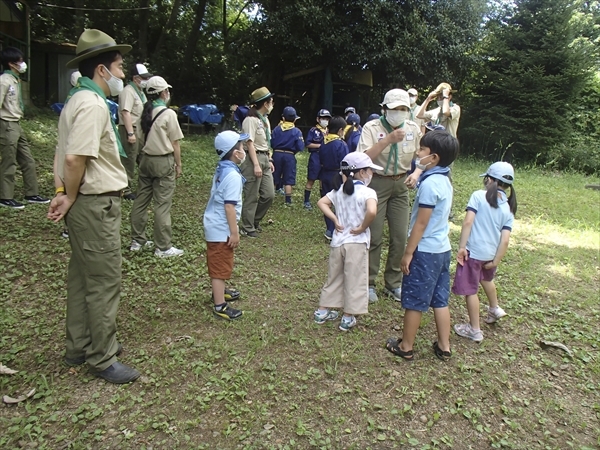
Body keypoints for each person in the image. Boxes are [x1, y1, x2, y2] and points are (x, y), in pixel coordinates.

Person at [47, 29, 139, 384]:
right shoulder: (92, 103)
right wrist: (69, 194)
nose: (121, 74)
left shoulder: (76, 99)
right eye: (118, 67)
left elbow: (62, 153)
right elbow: (73, 159)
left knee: (82, 276)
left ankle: (79, 346)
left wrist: (63, 191)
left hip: (84, 203)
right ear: (102, 70)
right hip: (94, 204)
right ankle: (102, 357)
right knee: (103, 280)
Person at [385, 130, 459, 361]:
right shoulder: (444, 180)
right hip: (442, 249)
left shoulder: (429, 186)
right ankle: (444, 346)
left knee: (415, 301)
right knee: (440, 299)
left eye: (422, 150)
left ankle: (406, 346)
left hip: (425, 251)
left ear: (433, 157)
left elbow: (421, 224)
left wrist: (408, 253)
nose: (418, 153)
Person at [357, 89, 422, 303]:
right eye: (394, 109)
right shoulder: (372, 128)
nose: (399, 113)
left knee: (400, 237)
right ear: (384, 109)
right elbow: (363, 158)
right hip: (377, 183)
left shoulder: (413, 128)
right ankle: (368, 283)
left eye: (404, 109)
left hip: (401, 184)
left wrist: (416, 173)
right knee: (374, 236)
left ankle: (393, 283)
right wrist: (388, 140)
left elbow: (422, 157)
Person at [452, 162, 517, 342]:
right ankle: (494, 308)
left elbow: (467, 222)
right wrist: (496, 260)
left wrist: (462, 247)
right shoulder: (509, 207)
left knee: (471, 290)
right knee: (486, 279)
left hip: (474, 252)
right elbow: (505, 239)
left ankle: (475, 329)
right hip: (490, 254)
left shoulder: (478, 196)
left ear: (489, 179)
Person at [315, 152, 379, 331]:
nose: (371, 174)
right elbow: (372, 212)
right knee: (355, 278)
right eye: (369, 170)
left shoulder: (338, 191)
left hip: (338, 242)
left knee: (334, 276)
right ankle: (348, 316)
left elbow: (321, 203)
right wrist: (362, 227)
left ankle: (322, 311)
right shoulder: (368, 192)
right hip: (357, 243)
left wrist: (335, 220)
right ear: (361, 172)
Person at [130, 76, 184, 257]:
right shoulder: (168, 114)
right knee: (162, 204)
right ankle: (163, 247)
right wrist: (178, 164)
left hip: (145, 160)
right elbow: (175, 143)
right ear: (164, 92)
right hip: (163, 161)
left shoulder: (144, 112)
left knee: (141, 200)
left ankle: (137, 240)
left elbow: (138, 138)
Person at [204, 131, 249, 320]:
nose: (244, 149)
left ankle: (220, 291)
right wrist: (234, 232)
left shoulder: (223, 167)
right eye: (241, 146)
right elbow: (229, 207)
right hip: (221, 229)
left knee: (221, 262)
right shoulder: (233, 176)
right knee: (220, 266)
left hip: (215, 225)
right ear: (234, 152)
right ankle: (220, 304)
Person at [0, 47, 49, 209]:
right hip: (6, 124)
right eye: (20, 61)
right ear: (11, 64)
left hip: (17, 124)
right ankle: (5, 197)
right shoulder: (4, 81)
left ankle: (32, 193)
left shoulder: (15, 80)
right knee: (9, 162)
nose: (23, 64)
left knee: (28, 160)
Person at [240, 86, 275, 238]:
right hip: (252, 158)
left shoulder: (265, 120)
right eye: (271, 101)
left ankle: (254, 221)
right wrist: (255, 164)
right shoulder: (250, 120)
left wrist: (269, 159)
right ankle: (247, 227)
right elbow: (249, 143)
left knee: (269, 194)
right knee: (252, 195)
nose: (273, 104)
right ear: (265, 103)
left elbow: (266, 142)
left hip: (265, 158)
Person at [118, 63, 152, 200]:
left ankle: (143, 186)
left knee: (141, 158)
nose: (145, 80)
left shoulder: (140, 92)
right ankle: (125, 190)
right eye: (143, 78)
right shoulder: (128, 91)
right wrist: (130, 133)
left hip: (139, 130)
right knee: (129, 160)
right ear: (135, 78)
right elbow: (126, 113)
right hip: (130, 129)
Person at [319, 116, 349, 240]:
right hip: (337, 176)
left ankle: (329, 229)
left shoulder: (323, 142)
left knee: (327, 202)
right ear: (340, 130)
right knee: (339, 202)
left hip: (324, 174)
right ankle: (337, 228)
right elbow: (345, 162)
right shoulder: (341, 144)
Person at [271, 106, 304, 206]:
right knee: (289, 178)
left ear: (283, 118)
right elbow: (300, 146)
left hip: (276, 154)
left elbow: (271, 142)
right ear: (294, 119)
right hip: (289, 156)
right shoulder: (297, 131)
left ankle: (270, 199)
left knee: (274, 176)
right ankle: (288, 201)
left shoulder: (276, 129)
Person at [303, 109, 331, 210]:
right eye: (323, 118)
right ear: (318, 119)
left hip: (325, 157)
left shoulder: (329, 131)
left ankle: (323, 201)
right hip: (315, 156)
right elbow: (308, 144)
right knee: (312, 179)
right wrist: (321, 146)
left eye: (327, 119)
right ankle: (306, 201)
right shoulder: (313, 131)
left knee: (323, 180)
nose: (325, 121)